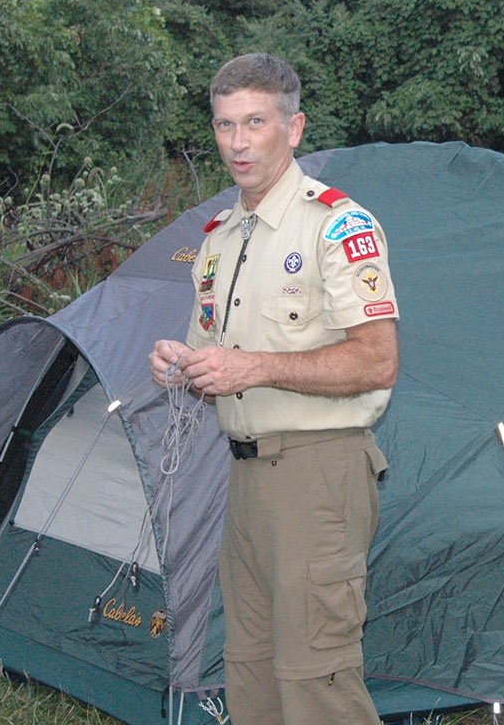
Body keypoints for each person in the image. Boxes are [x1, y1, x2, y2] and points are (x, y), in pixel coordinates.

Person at [149, 53, 398, 725]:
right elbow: (219, 370)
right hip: (246, 479)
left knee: (317, 681)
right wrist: (184, 367)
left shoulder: (336, 226)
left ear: (293, 128)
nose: (237, 142)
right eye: (224, 125)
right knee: (251, 673)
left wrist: (252, 368)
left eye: (255, 122)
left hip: (318, 475)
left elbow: (377, 363)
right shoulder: (219, 240)